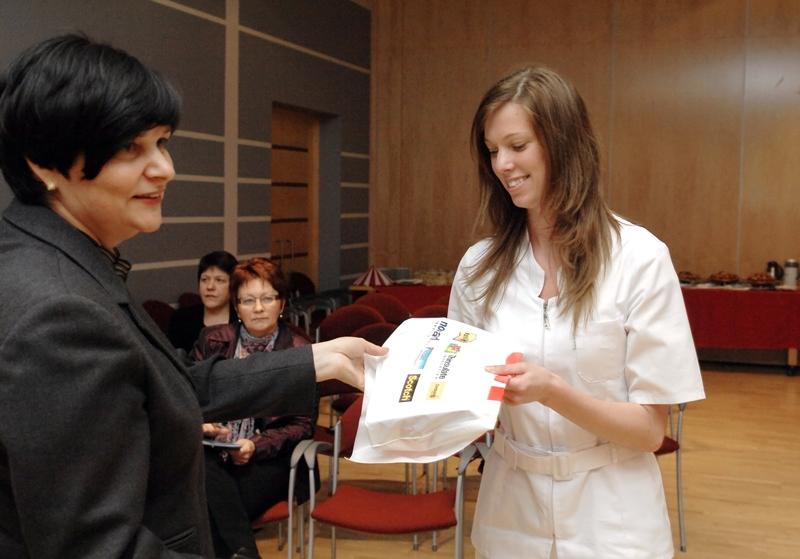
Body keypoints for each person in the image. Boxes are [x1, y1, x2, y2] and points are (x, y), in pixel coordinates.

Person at [0, 34, 385, 559]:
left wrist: (318, 359)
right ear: (44, 163)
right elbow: (98, 546)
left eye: (161, 142)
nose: (165, 168)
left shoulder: (45, 258)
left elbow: (163, 385)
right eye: (130, 148)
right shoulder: (57, 311)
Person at [448, 66, 705, 558]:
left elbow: (650, 431)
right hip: (511, 510)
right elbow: (466, 402)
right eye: (492, 150)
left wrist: (553, 392)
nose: (502, 164)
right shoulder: (479, 267)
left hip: (612, 516)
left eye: (517, 145)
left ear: (563, 143)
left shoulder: (638, 258)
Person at [193, 257, 316, 559]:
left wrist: (254, 445)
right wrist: (203, 424)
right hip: (214, 452)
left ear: (281, 302)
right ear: (237, 307)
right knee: (203, 483)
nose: (258, 308)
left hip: (272, 459)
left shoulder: (299, 350)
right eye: (248, 301)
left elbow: (302, 425)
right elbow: (190, 397)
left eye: (267, 299)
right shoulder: (213, 340)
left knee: (205, 509)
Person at [169, 250, 239, 352]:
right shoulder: (181, 319)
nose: (210, 287)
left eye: (219, 280)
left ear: (233, 286)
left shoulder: (243, 320)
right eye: (204, 279)